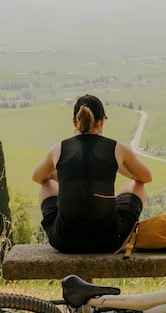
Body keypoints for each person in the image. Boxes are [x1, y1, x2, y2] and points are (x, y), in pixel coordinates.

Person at [32, 94, 152, 253]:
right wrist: (117, 167)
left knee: (45, 184)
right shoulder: (117, 148)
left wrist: (60, 177)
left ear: (75, 122)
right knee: (138, 185)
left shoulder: (59, 149)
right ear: (102, 121)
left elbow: (37, 177)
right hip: (108, 241)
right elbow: (145, 177)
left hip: (65, 241)